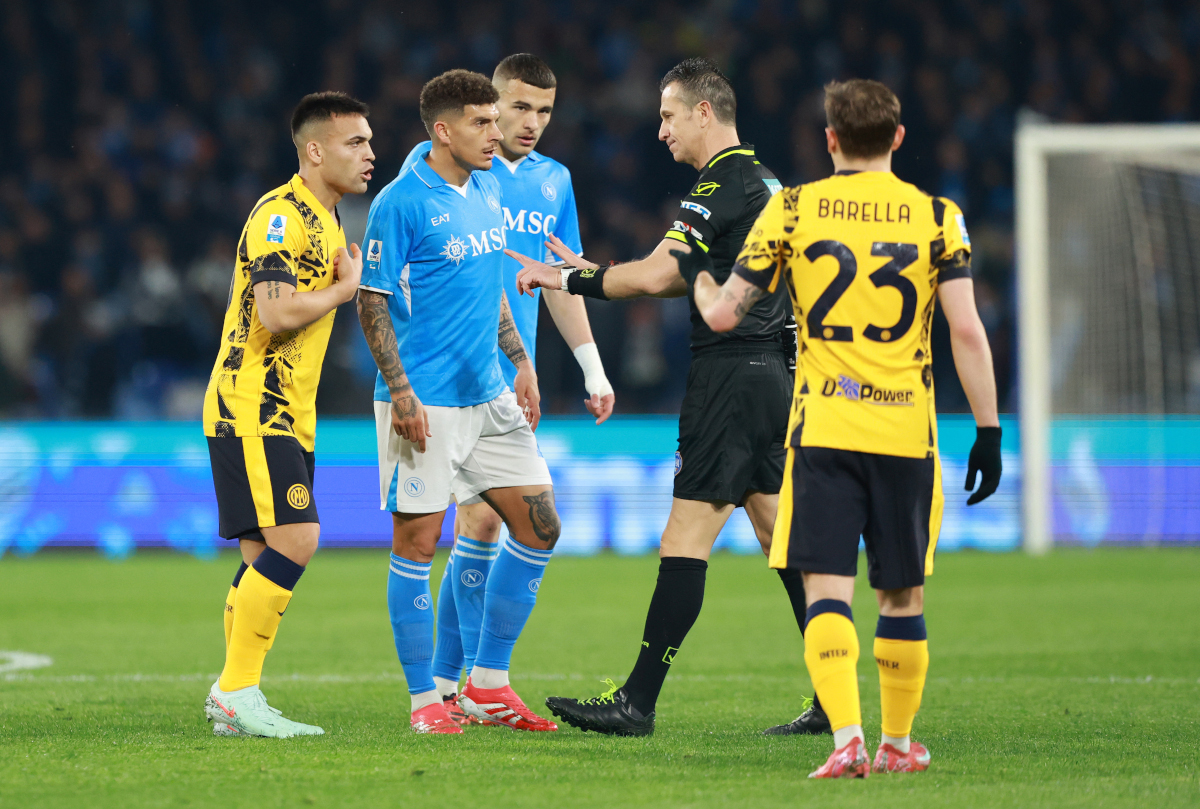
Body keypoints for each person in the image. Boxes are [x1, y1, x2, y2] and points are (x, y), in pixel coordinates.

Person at [683, 78, 1002, 778]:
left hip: (823, 428)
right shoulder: (938, 216)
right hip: (904, 434)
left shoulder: (793, 209)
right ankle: (896, 741)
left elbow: (725, 314)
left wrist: (701, 279)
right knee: (902, 595)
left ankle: (845, 740)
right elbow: (967, 332)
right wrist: (989, 430)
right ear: (897, 138)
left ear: (829, 139)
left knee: (828, 590)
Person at [508, 57, 825, 736]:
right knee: (782, 540)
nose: (660, 132)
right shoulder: (766, 180)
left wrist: (569, 282)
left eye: (668, 116)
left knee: (684, 537)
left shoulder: (722, 181)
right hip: (775, 377)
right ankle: (835, 695)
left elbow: (657, 274)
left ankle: (637, 702)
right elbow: (690, 274)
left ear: (703, 112)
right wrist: (594, 270)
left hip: (731, 381)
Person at [395, 53, 614, 724]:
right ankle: (451, 682)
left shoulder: (554, 183)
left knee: (500, 522)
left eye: (545, 111)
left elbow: (561, 278)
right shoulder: (434, 168)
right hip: (449, 378)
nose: (532, 123)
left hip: (512, 377)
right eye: (519, 107)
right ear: (487, 106)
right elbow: (404, 269)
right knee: (480, 519)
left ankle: (471, 682)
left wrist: (591, 366)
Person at [357, 69, 563, 735]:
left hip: (490, 394)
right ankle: (425, 702)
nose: (497, 132)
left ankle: (486, 684)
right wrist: (401, 391)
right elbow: (372, 300)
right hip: (427, 402)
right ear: (444, 130)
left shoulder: (487, 187)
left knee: (540, 526)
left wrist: (521, 358)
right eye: (482, 122)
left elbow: (489, 279)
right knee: (417, 541)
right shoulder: (400, 201)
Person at [202, 92, 374, 738]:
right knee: (296, 538)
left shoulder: (329, 223)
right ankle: (235, 688)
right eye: (355, 142)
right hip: (253, 405)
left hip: (287, 413)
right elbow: (273, 312)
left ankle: (238, 698)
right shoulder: (282, 217)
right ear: (314, 150)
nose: (369, 154)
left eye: (369, 142)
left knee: (259, 554)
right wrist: (341, 290)